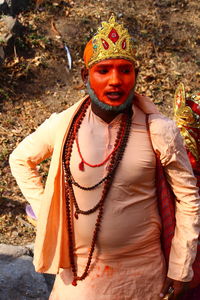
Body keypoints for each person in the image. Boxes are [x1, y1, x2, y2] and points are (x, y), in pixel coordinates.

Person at [9, 16, 200, 300]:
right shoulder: (64, 124)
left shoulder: (159, 129)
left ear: (136, 76)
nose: (115, 81)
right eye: (103, 71)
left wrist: (181, 266)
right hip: (79, 276)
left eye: (125, 70)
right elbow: (21, 159)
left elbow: (188, 198)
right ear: (86, 77)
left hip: (144, 275)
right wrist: (50, 212)